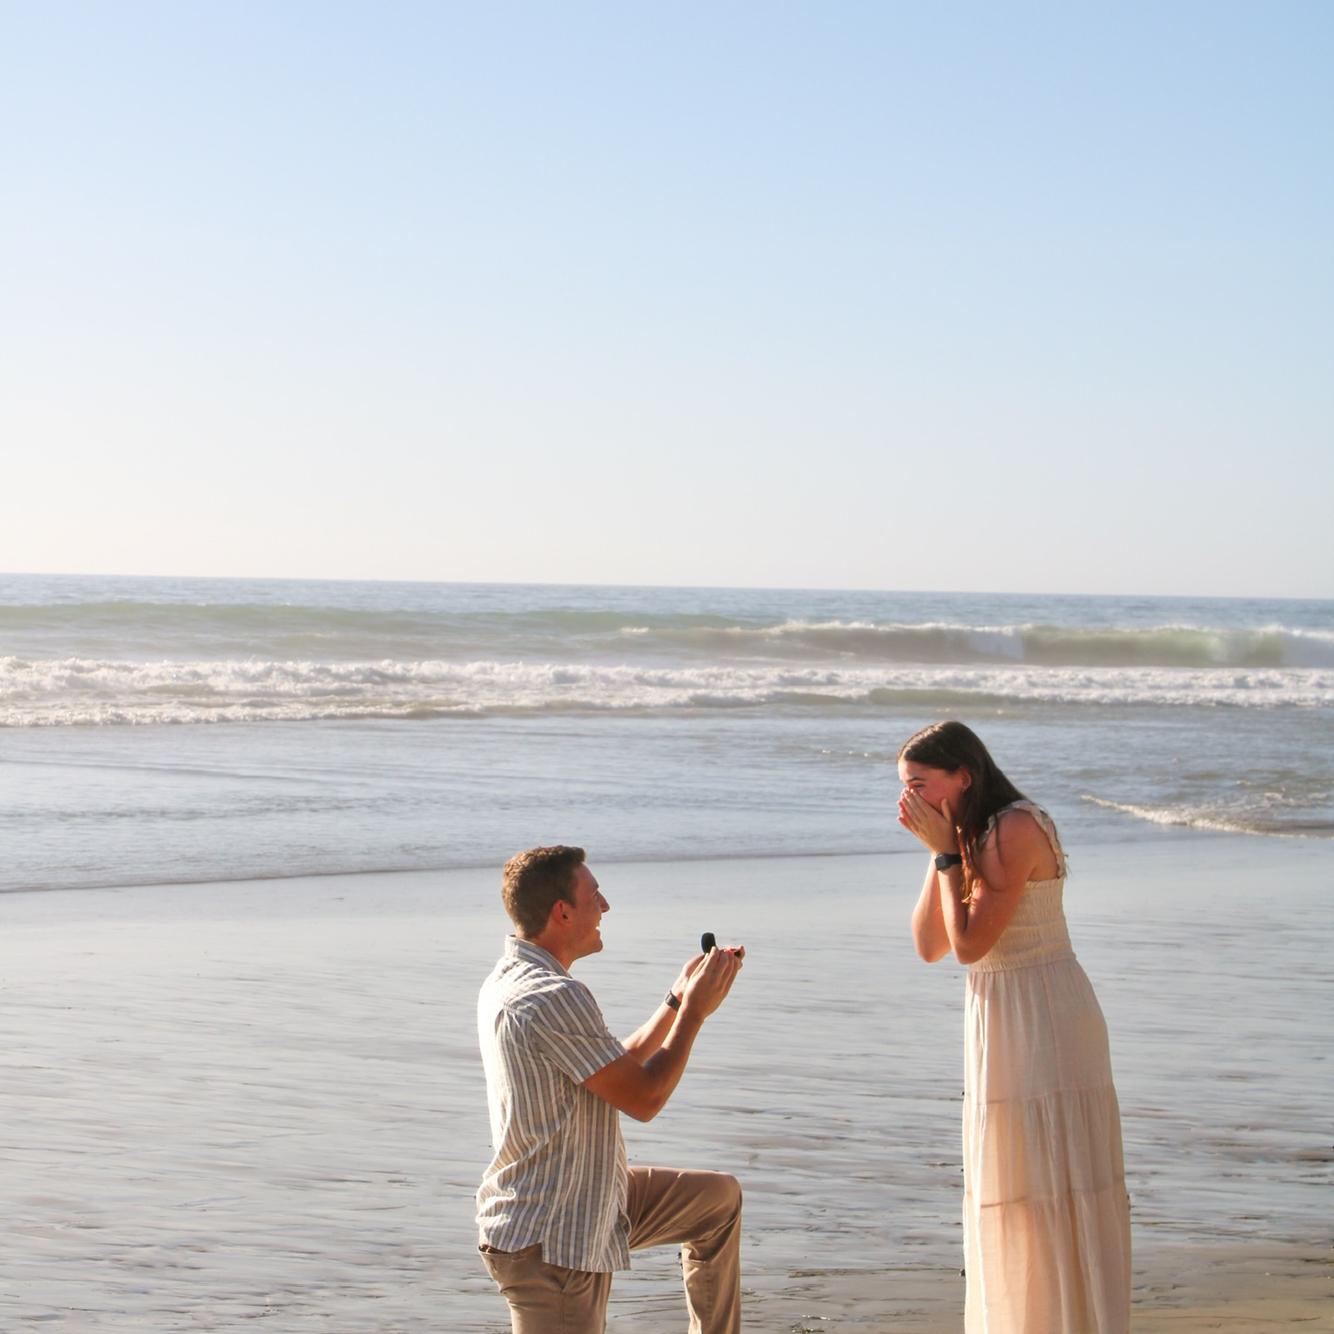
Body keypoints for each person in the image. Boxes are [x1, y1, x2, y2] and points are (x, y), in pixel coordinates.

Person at [897, 721, 1131, 1333]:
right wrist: (939, 851)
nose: (911, 800)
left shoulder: (1017, 826)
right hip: (997, 1016)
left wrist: (949, 853)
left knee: (1054, 1181)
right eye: (905, 789)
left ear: (964, 776)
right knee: (1013, 1185)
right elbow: (929, 946)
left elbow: (970, 944)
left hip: (1044, 1013)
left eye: (920, 785)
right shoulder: (969, 835)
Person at [476, 844, 745, 1334]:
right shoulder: (557, 996)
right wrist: (695, 1014)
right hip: (551, 1240)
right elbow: (645, 1098)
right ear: (562, 912)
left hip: (594, 1194)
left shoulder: (511, 976)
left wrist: (676, 999)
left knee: (718, 1202)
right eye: (595, 896)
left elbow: (609, 1066)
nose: (605, 907)